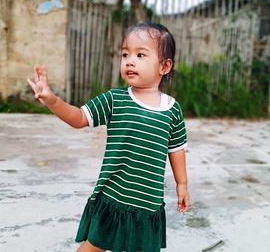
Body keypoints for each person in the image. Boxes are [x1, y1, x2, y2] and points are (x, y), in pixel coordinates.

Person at [27, 22, 190, 252]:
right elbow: (79, 117)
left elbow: (176, 148)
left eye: (140, 54)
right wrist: (53, 100)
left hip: (147, 205)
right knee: (93, 247)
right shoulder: (115, 99)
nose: (129, 61)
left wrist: (182, 184)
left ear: (164, 66)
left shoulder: (172, 109)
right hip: (113, 198)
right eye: (125, 54)